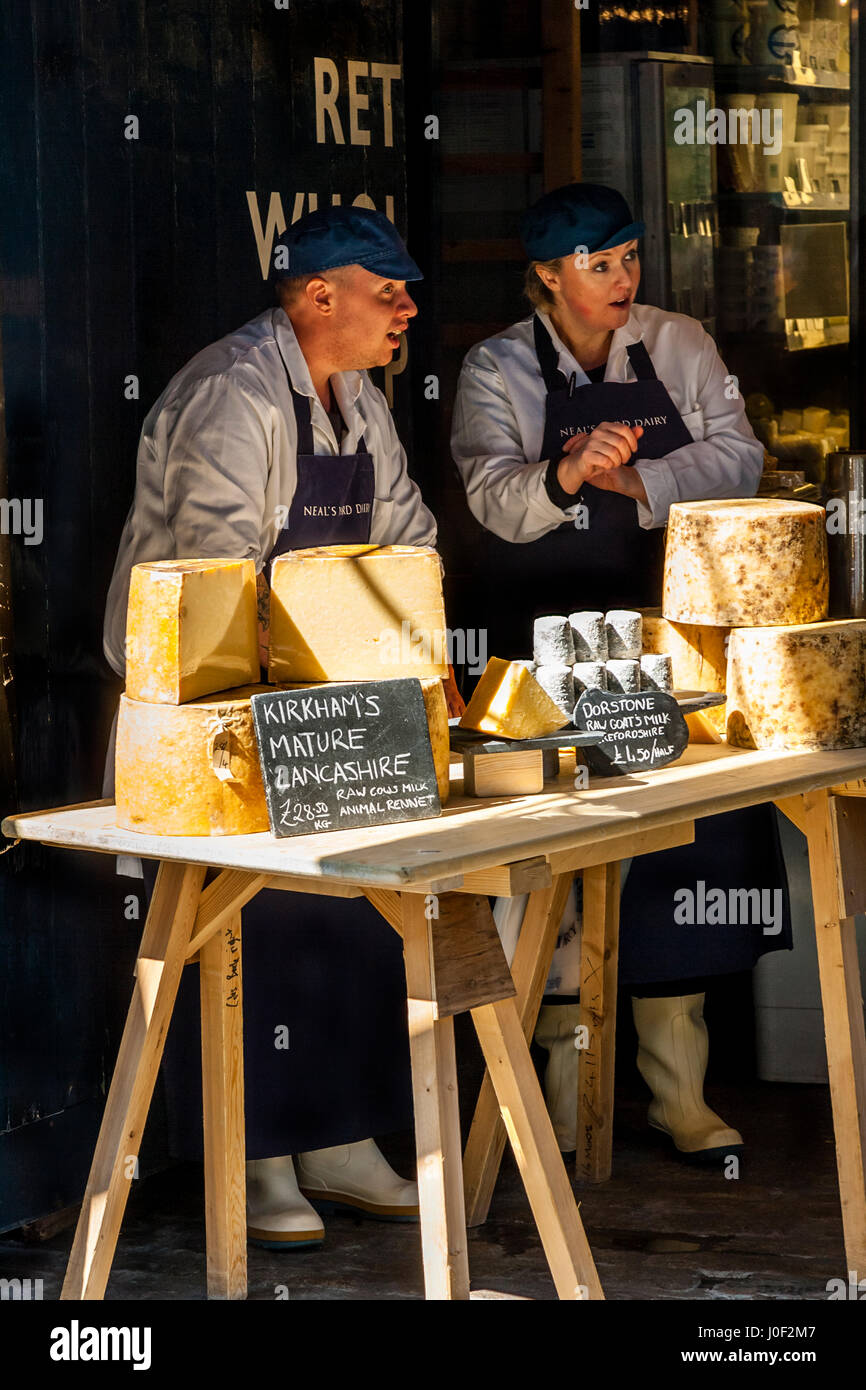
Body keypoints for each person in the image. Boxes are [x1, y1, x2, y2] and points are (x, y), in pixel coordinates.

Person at [103, 206, 446, 1245]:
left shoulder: (361, 404)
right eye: (387, 293)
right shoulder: (232, 396)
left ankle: (337, 1137)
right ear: (316, 296)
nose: (407, 312)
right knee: (250, 927)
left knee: (349, 914)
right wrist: (337, 662)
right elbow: (216, 579)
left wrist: (421, 664)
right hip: (206, 710)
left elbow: (409, 542)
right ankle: (256, 1160)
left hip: (319, 707)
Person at [451, 183, 791, 1161]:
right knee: (562, 854)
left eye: (629, 258)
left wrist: (636, 479)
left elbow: (740, 457)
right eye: (598, 264)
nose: (621, 279)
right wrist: (561, 475)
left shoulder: (677, 342)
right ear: (547, 276)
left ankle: (674, 1090)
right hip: (542, 643)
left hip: (665, 635)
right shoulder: (495, 367)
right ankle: (564, 1091)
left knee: (684, 849)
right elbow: (488, 494)